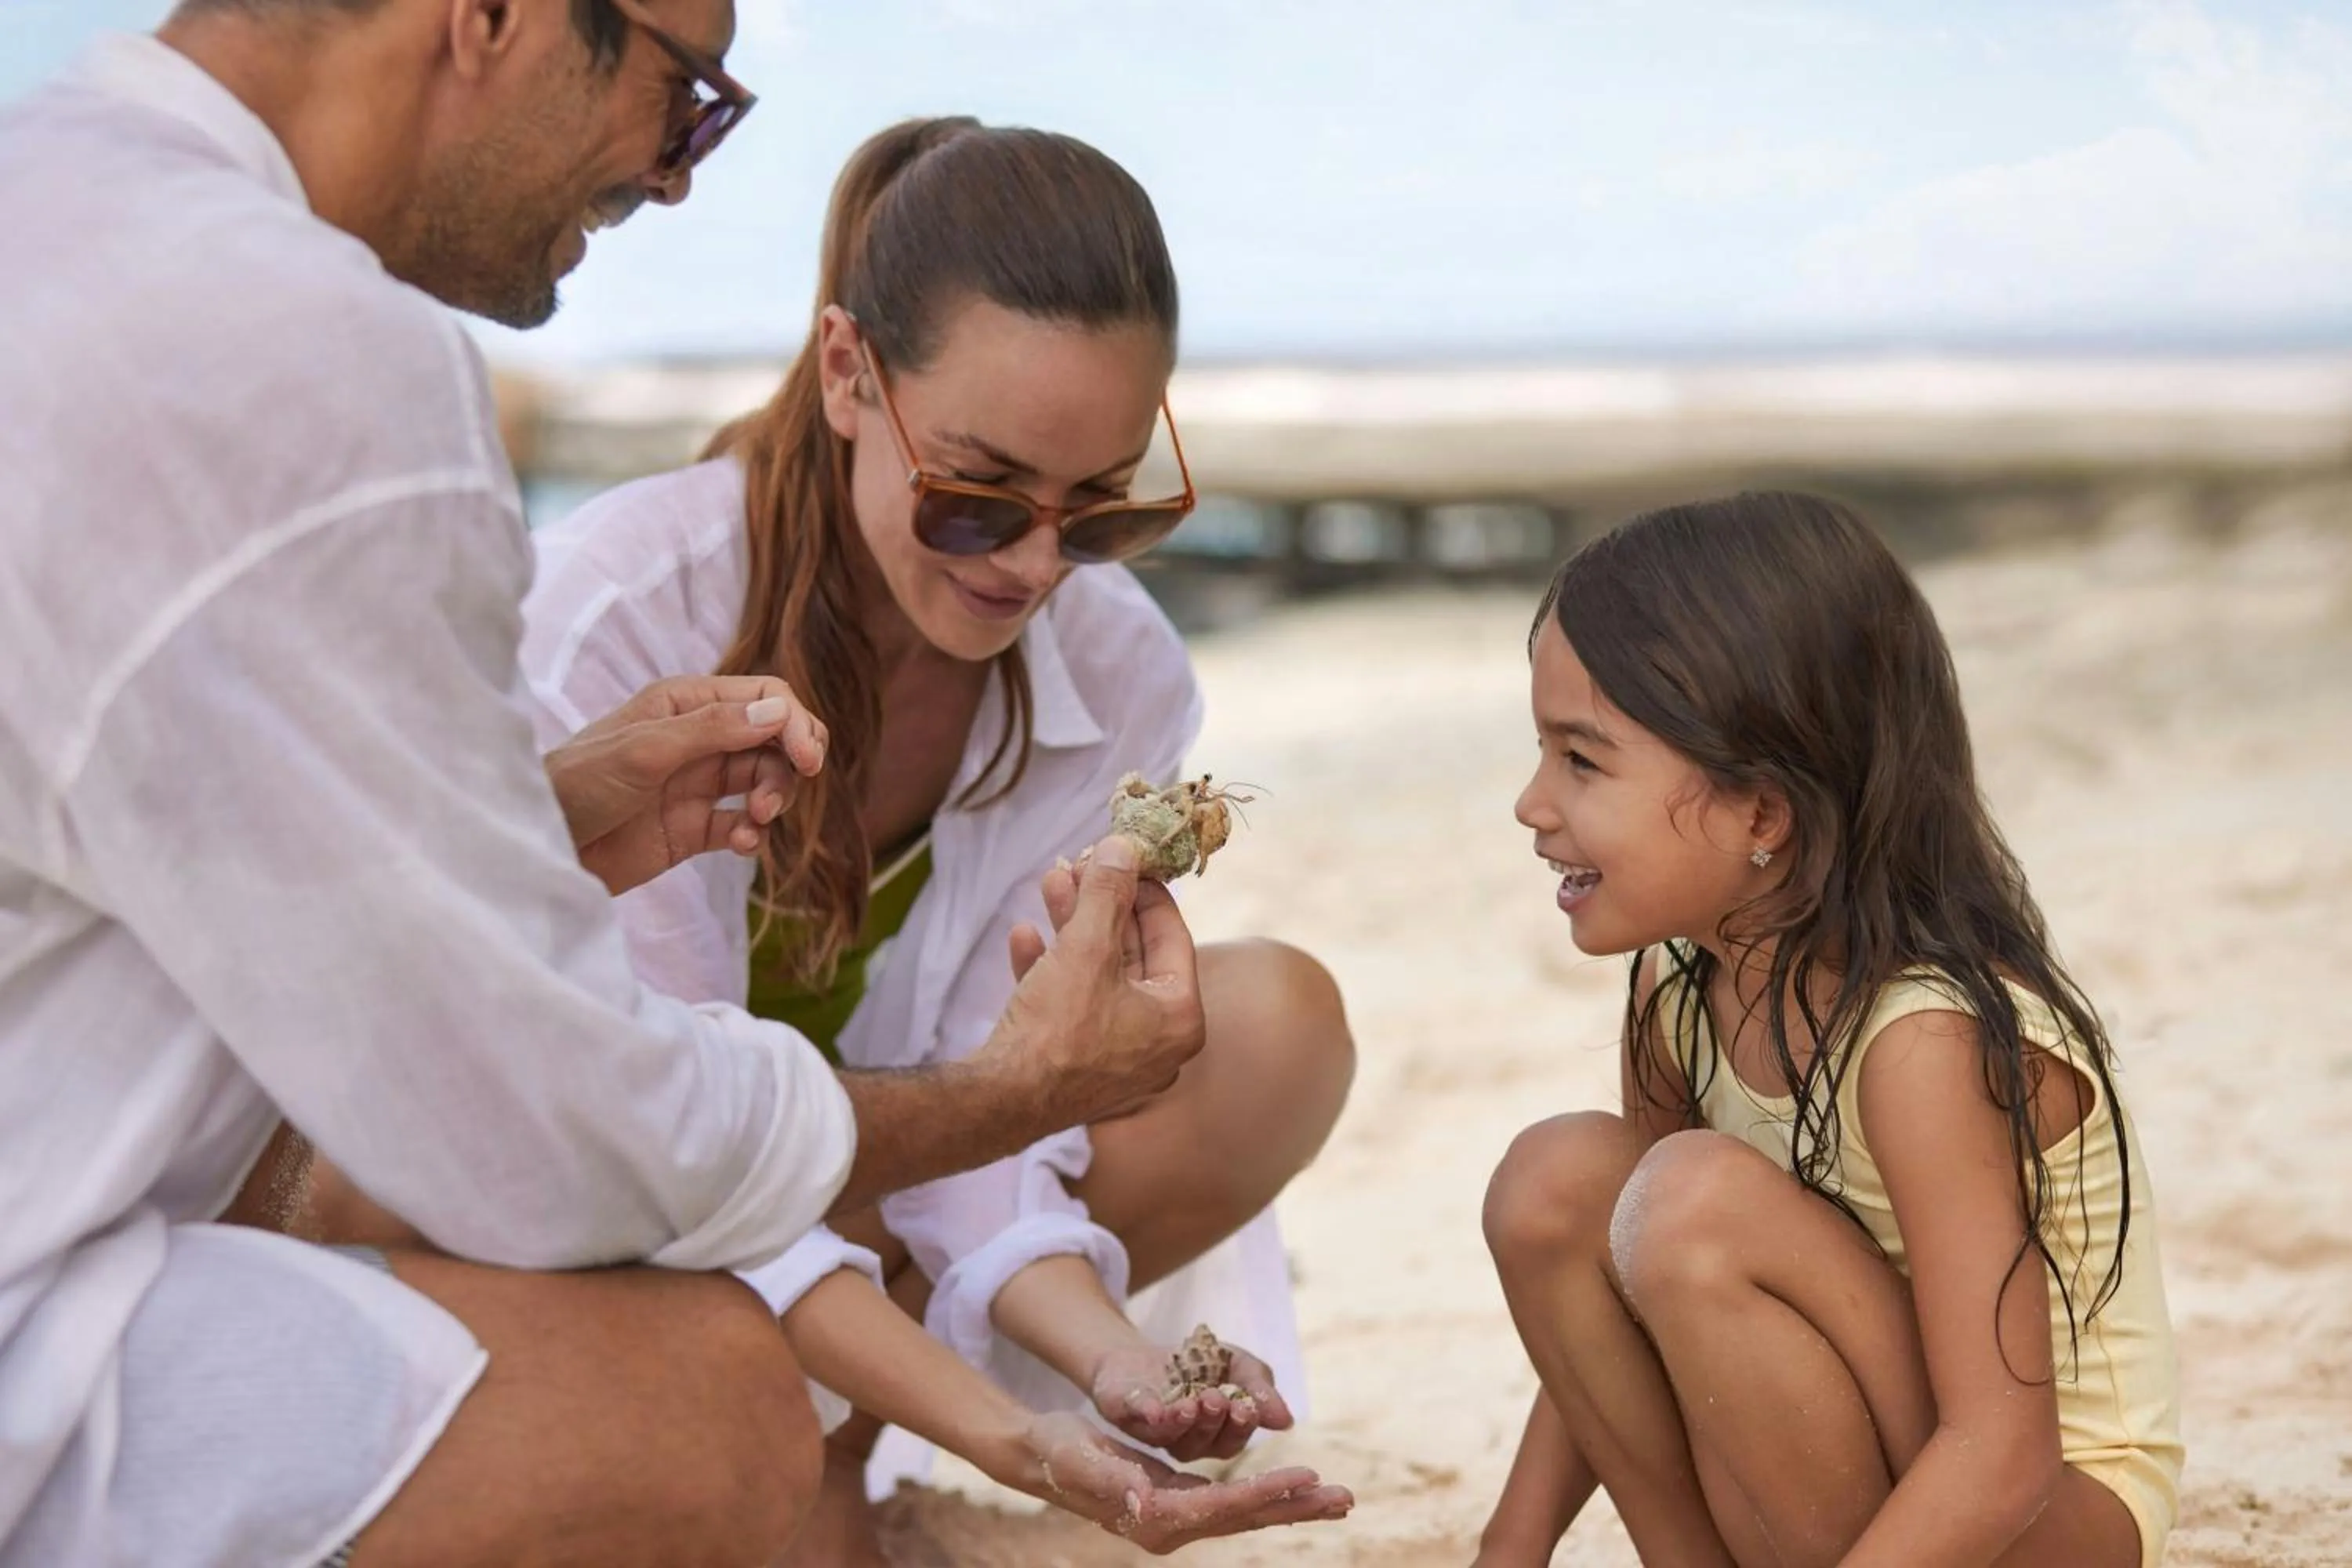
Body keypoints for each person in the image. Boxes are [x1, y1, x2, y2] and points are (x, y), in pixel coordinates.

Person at [0, 2, 1305, 1563]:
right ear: (489, 17)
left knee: (1272, 1024)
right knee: (697, 1408)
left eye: (1095, 514)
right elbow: (551, 1139)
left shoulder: (54, 203)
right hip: (59, 1290)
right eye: (685, 87)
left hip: (87, 1199)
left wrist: (531, 816)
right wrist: (1017, 1099)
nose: (680, 175)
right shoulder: (324, 369)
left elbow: (149, 824)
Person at [514, 116, 1360, 1560]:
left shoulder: (1123, 671)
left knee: (1275, 1020)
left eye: (1098, 509)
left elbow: (995, 1117)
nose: (1036, 567)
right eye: (976, 498)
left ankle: (831, 1435)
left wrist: (1117, 1370)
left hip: (863, 1183)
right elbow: (679, 1149)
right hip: (594, 1204)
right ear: (849, 375)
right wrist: (1014, 1441)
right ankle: (785, 1440)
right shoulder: (625, 612)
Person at [1473, 492, 2183, 1568]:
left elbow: (2003, 1451)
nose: (1533, 804)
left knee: (1688, 1203)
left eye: (1581, 760)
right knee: (1559, 1183)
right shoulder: (1678, 988)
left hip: (2045, 1517)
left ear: (1762, 814)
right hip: (1864, 1476)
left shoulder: (1926, 1041)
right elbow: (1614, 1320)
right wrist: (1508, 1553)